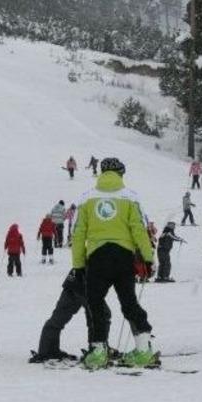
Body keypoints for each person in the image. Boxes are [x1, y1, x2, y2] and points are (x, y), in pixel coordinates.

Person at [72, 157, 157, 369]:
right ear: (121, 173)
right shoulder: (129, 197)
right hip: (123, 257)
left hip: (97, 257)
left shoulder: (87, 198)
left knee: (96, 303)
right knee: (129, 303)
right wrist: (148, 257)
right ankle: (144, 349)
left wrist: (78, 265)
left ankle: (99, 351)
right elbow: (138, 228)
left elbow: (78, 233)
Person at [29, 269, 114, 363]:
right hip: (83, 282)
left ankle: (48, 349)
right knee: (102, 315)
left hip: (75, 281)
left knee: (63, 314)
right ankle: (97, 350)